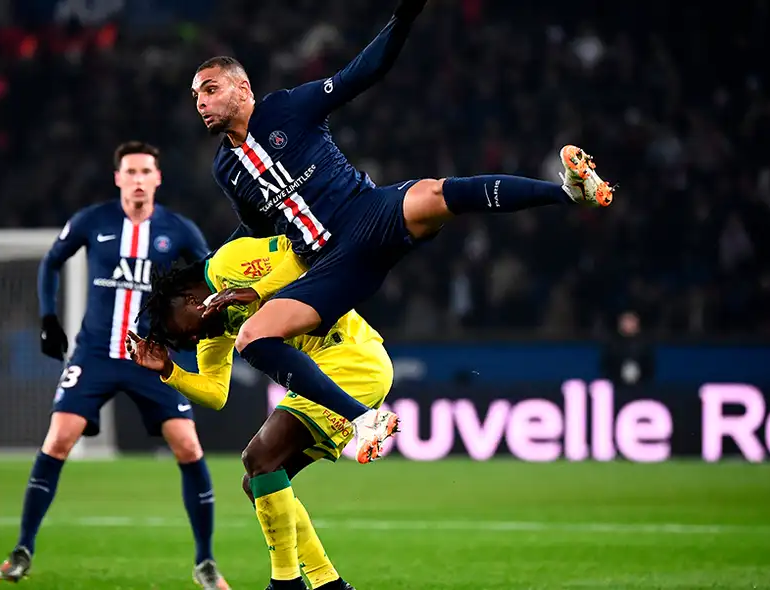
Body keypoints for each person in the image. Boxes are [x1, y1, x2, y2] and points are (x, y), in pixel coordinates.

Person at [189, 0, 615, 434]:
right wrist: (212, 273)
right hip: (329, 265)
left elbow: (360, 73)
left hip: (369, 212)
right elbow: (257, 229)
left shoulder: (288, 108)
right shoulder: (225, 169)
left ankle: (567, 192)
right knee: (252, 339)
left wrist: (402, 18)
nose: (200, 102)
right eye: (196, 96)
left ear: (242, 89)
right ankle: (364, 420)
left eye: (209, 89)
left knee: (434, 192)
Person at [0, 141, 230, 590]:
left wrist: (198, 326)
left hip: (152, 356)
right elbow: (51, 262)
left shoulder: (178, 230)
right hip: (96, 354)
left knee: (188, 446)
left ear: (157, 179)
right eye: (131, 172)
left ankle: (205, 562)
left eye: (146, 171)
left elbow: (209, 282)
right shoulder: (93, 221)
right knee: (59, 438)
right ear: (118, 178)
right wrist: (47, 317)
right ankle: (22, 549)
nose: (139, 179)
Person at [128, 234, 390, 590]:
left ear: (190, 299)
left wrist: (258, 290)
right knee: (259, 482)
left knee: (261, 457)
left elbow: (300, 253)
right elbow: (216, 394)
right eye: (189, 342)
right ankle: (327, 583)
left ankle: (285, 584)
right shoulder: (214, 330)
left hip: (348, 355)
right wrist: (170, 372)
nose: (196, 339)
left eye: (187, 331)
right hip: (332, 370)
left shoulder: (228, 264)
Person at [601, 310, 656, 386]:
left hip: (640, 387)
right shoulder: (612, 344)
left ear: (637, 324)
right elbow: (606, 367)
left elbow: (649, 369)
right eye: (625, 321)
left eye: (631, 321)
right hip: (617, 387)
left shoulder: (644, 345)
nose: (628, 324)